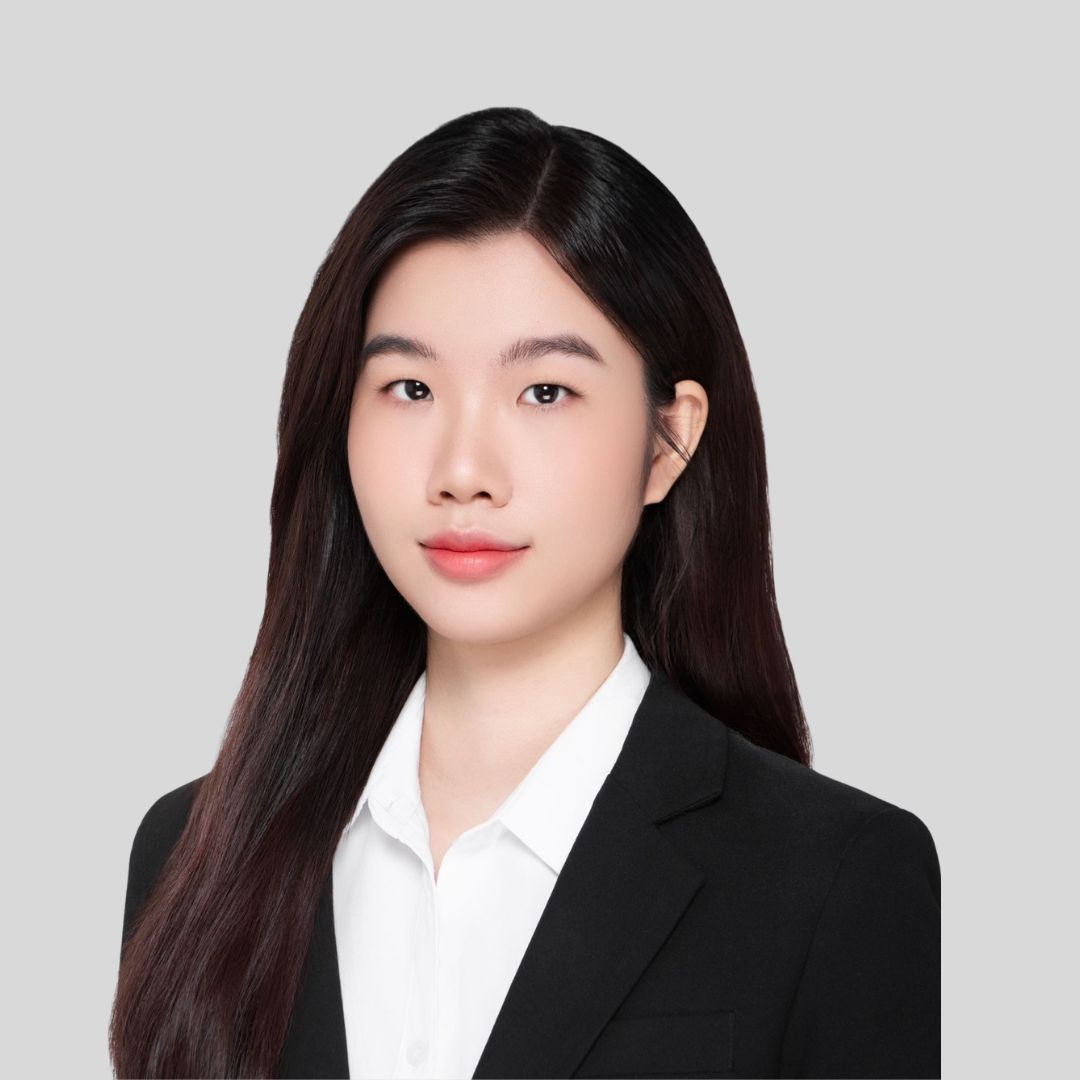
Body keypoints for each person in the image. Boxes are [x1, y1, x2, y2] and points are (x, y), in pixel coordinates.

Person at [110, 106, 940, 1079]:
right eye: (410, 389)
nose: (463, 471)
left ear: (669, 441)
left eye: (545, 391)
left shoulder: (832, 875)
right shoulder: (194, 857)